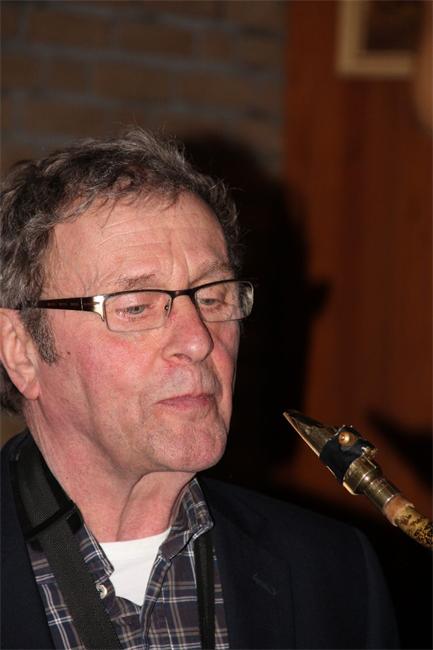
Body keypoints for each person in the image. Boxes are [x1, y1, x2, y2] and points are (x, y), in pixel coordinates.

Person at [0, 129, 398, 650]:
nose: (198, 340)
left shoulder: (337, 574)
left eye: (213, 298)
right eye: (136, 306)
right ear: (21, 349)